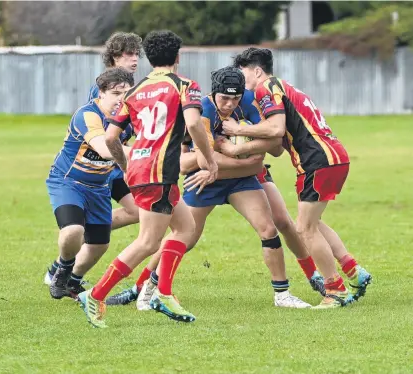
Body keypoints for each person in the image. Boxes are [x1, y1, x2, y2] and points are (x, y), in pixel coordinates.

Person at [107, 67, 325, 310]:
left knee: (268, 228)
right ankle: (147, 288)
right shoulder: (203, 109)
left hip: (236, 181)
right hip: (202, 181)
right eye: (224, 98)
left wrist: (233, 150)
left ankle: (283, 294)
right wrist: (246, 158)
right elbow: (204, 160)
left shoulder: (250, 103)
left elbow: (275, 143)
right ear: (214, 93)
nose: (230, 104)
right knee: (184, 237)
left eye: (235, 98)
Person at [77, 30, 218, 328]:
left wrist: (126, 164)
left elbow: (112, 136)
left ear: (149, 59)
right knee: (147, 242)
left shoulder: (134, 91)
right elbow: (193, 122)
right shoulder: (184, 85)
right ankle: (96, 294)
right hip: (160, 172)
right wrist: (209, 158)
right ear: (178, 57)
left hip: (142, 169)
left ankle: (162, 293)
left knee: (185, 227)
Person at [225, 47, 372, 309]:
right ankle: (353, 271)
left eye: (244, 72)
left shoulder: (266, 88)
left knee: (305, 228)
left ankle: (334, 290)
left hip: (317, 160)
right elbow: (278, 144)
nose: (242, 79)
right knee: (313, 223)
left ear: (257, 70)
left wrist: (239, 131)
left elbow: (276, 128)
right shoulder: (284, 86)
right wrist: (247, 144)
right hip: (333, 156)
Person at [44, 32, 143, 287]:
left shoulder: (132, 100)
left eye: (136, 54)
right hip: (97, 167)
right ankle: (66, 260)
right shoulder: (97, 100)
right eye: (127, 54)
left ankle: (69, 270)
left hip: (108, 169)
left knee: (135, 213)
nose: (134, 59)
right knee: (75, 228)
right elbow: (103, 142)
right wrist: (143, 155)